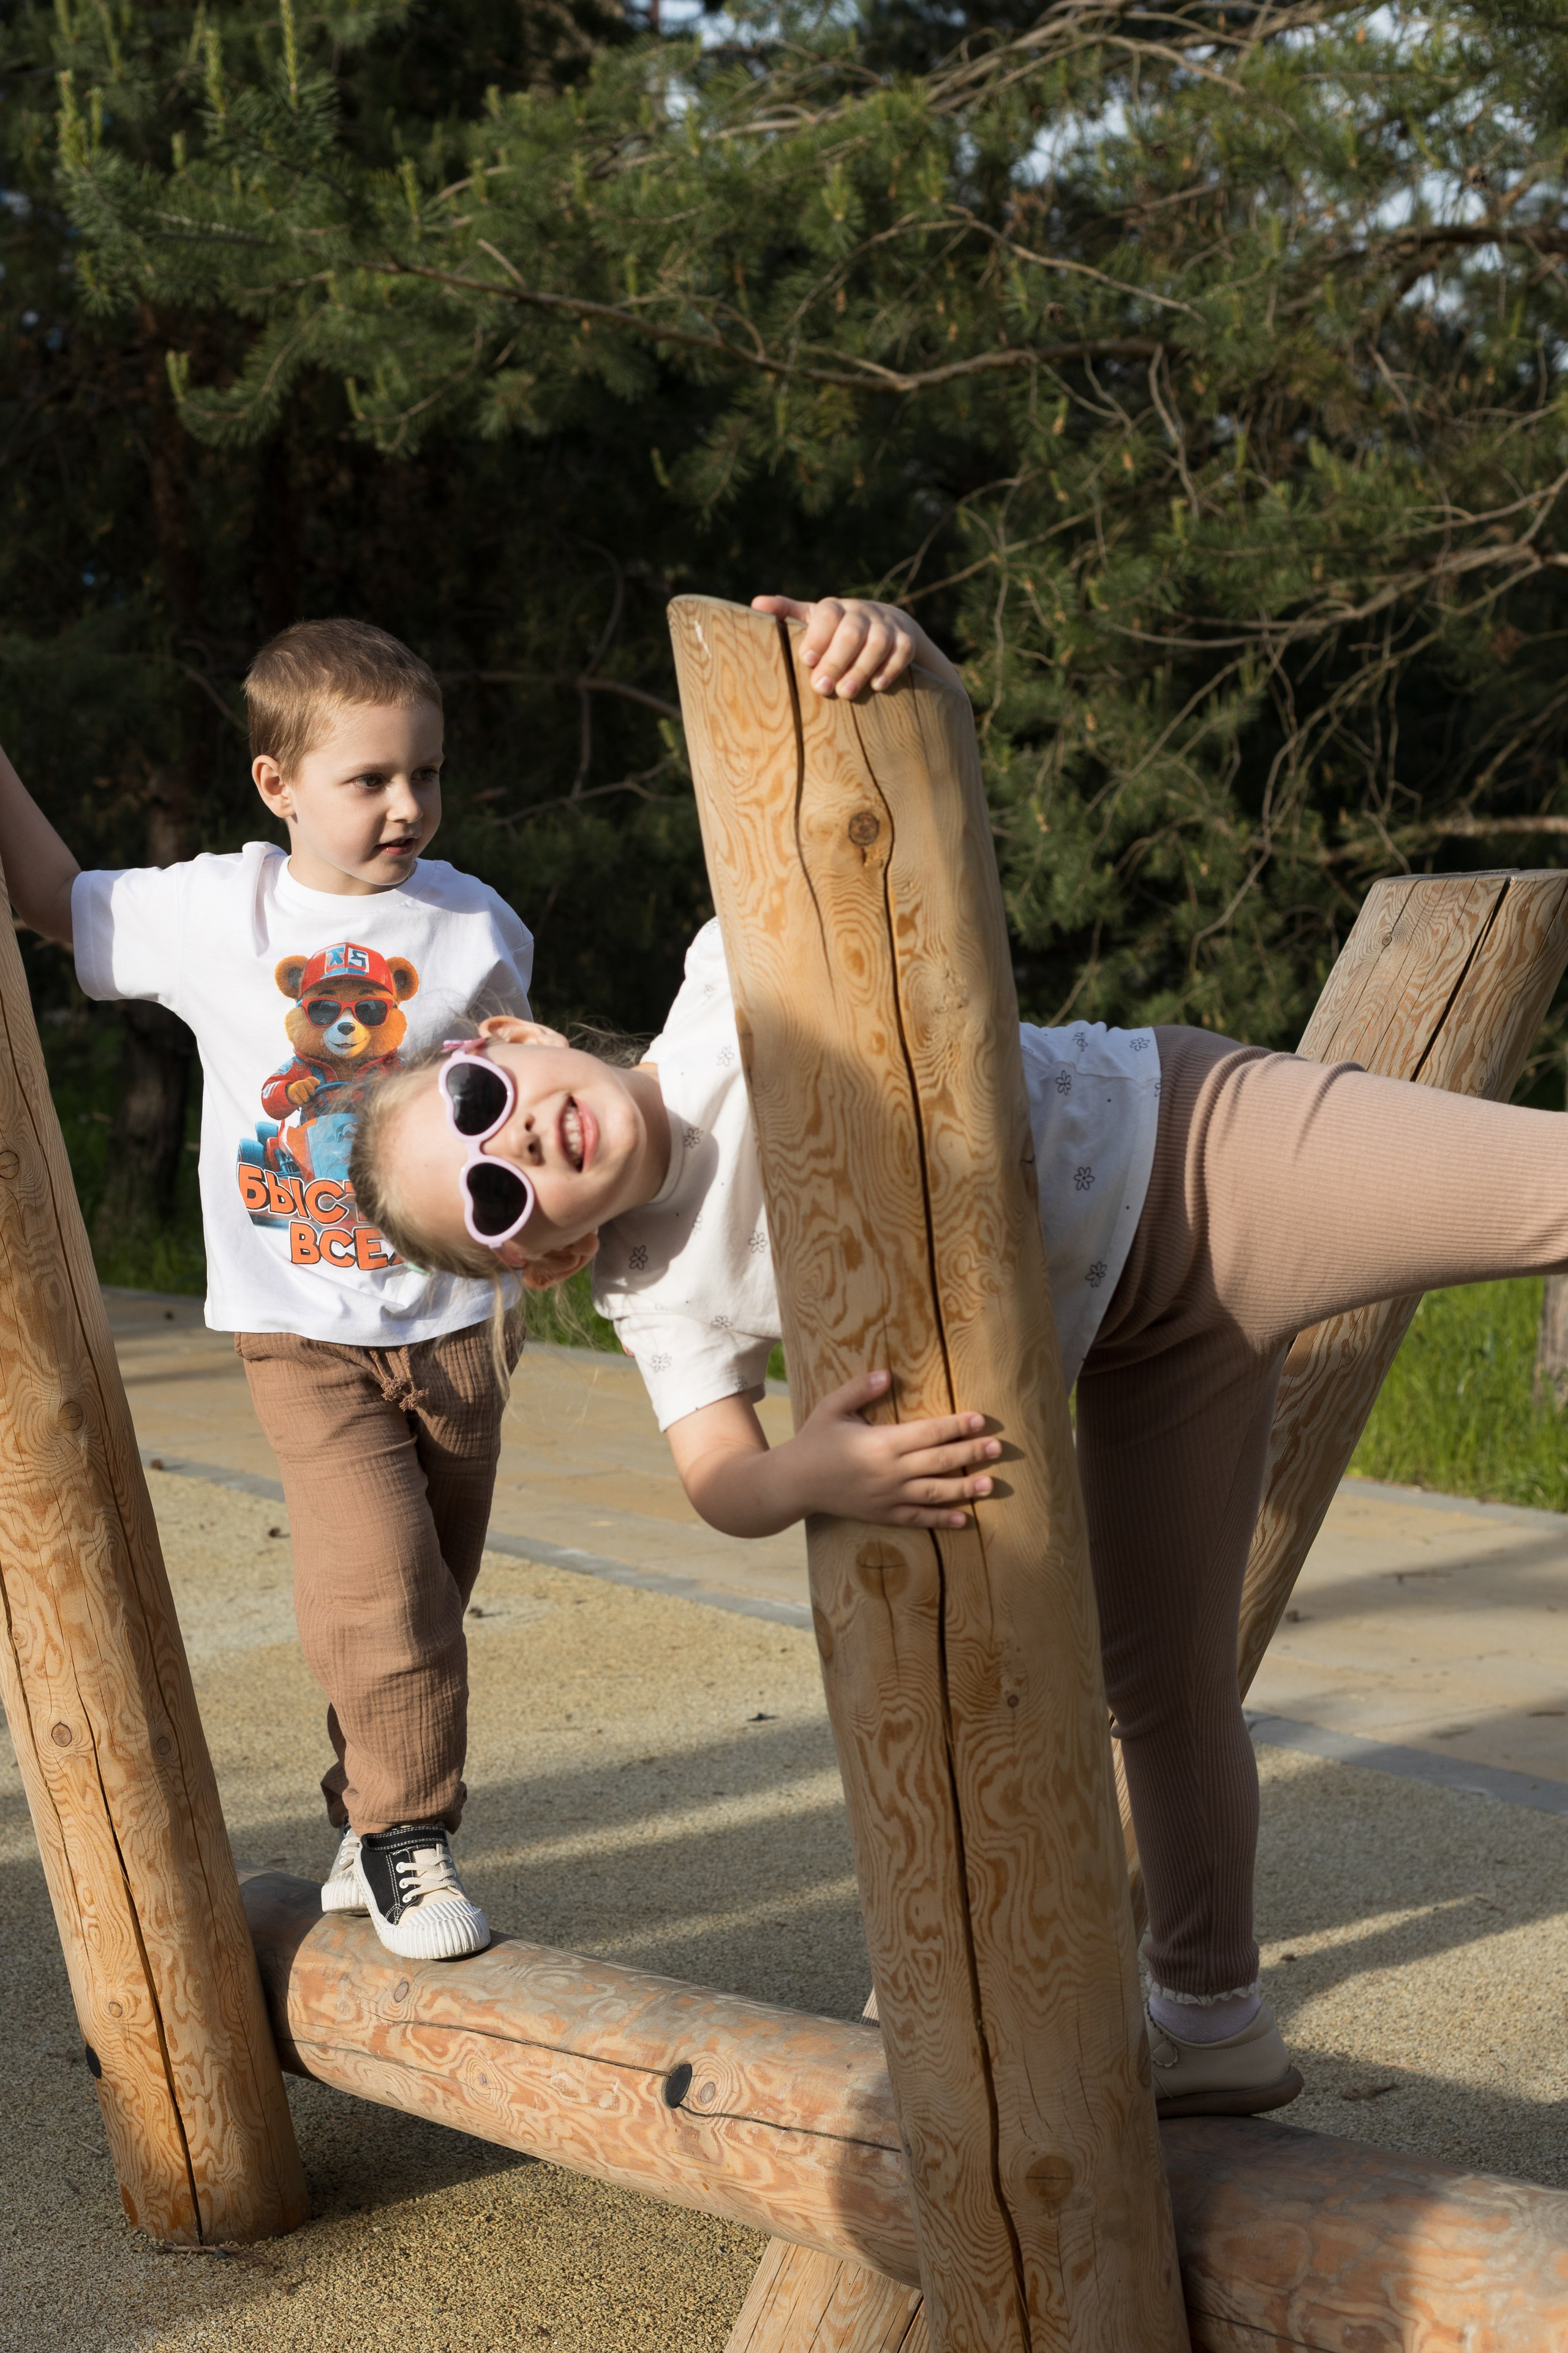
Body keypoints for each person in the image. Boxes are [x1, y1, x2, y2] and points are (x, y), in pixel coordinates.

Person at [345, 587, 1568, 2116]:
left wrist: (900, 661)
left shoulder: (731, 981)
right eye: (494, 1196)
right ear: (550, 1252)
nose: (513, 1147)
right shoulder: (650, 1283)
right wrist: (820, 1465)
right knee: (1160, 1688)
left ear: (515, 1041)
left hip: (1199, 1153)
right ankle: (1211, 2015)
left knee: (1545, 1194)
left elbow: (903, 842)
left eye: (478, 1105)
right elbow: (718, 1474)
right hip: (1132, 1362)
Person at [0, 618, 538, 1962]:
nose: (406, 804)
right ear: (276, 785)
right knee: (378, 1589)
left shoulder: (475, 926)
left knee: (432, 1588)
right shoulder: (218, 912)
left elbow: (520, 1114)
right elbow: (55, 896)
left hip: (458, 1328)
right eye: (368, 780)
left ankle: (364, 1818)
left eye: (424, 773)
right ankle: (412, 1838)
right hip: (300, 1333)